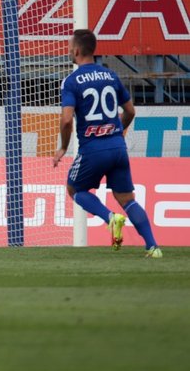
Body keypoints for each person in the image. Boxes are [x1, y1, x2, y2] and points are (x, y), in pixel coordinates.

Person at [52, 29, 161, 258]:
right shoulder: (111, 76)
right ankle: (153, 247)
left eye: (71, 46)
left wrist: (63, 146)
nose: (69, 50)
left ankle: (110, 219)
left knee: (75, 189)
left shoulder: (71, 81)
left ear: (78, 50)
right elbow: (130, 110)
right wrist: (119, 131)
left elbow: (65, 120)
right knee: (127, 199)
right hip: (118, 148)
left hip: (93, 149)